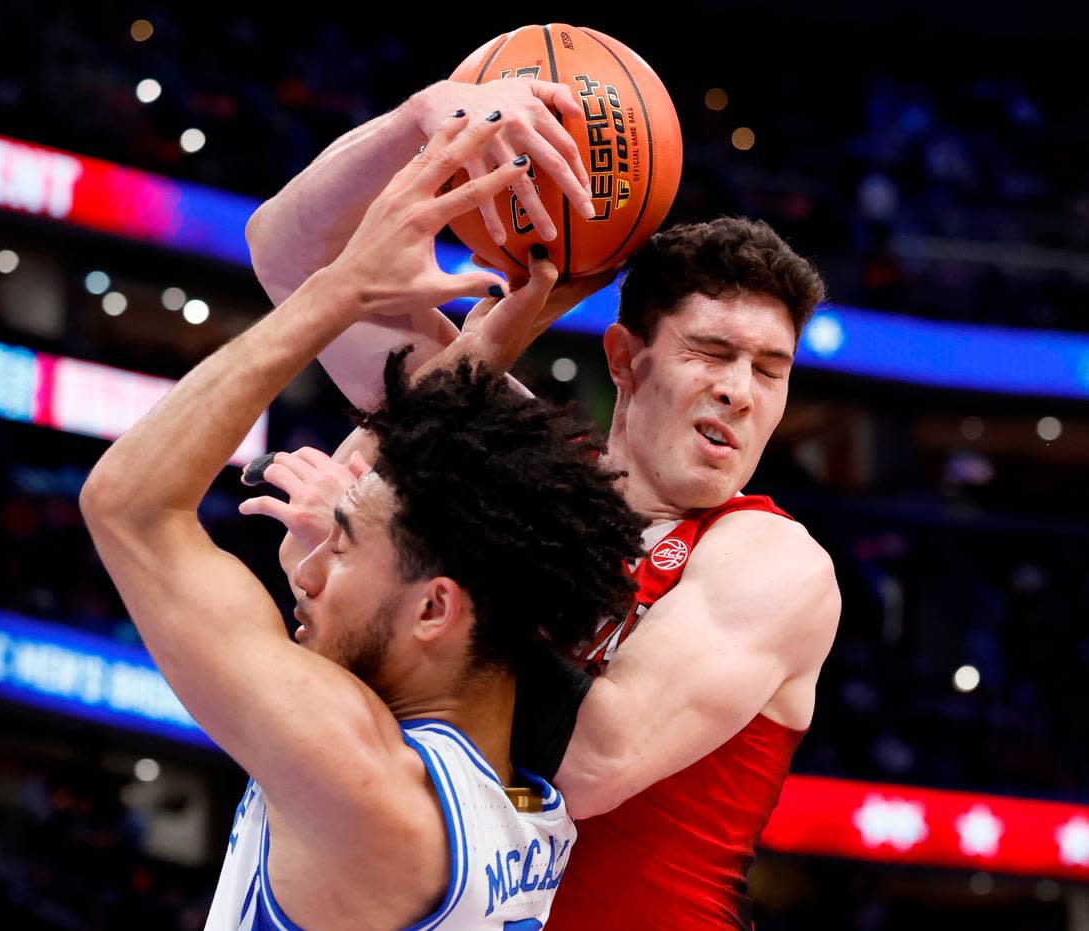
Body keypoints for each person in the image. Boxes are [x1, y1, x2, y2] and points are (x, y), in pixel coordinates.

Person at [247, 78, 841, 929]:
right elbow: (287, 250)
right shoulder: (518, 466)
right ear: (626, 357)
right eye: (712, 352)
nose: (740, 392)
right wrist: (417, 122)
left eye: (769, 369)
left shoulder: (773, 559)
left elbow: (594, 761)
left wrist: (390, 568)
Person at [79, 113, 647, 931]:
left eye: (339, 551)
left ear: (433, 609)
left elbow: (128, 508)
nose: (303, 570)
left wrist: (340, 291)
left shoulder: (358, 774)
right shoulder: (520, 796)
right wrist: (496, 336)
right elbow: (407, 478)